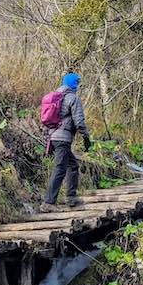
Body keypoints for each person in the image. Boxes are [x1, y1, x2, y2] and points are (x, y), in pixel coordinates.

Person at [41, 72, 91, 211]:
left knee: (72, 165)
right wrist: (86, 138)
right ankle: (49, 203)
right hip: (62, 139)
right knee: (60, 168)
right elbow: (79, 121)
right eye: (78, 83)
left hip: (53, 137)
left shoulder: (56, 97)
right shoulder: (72, 98)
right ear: (74, 84)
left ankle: (71, 197)